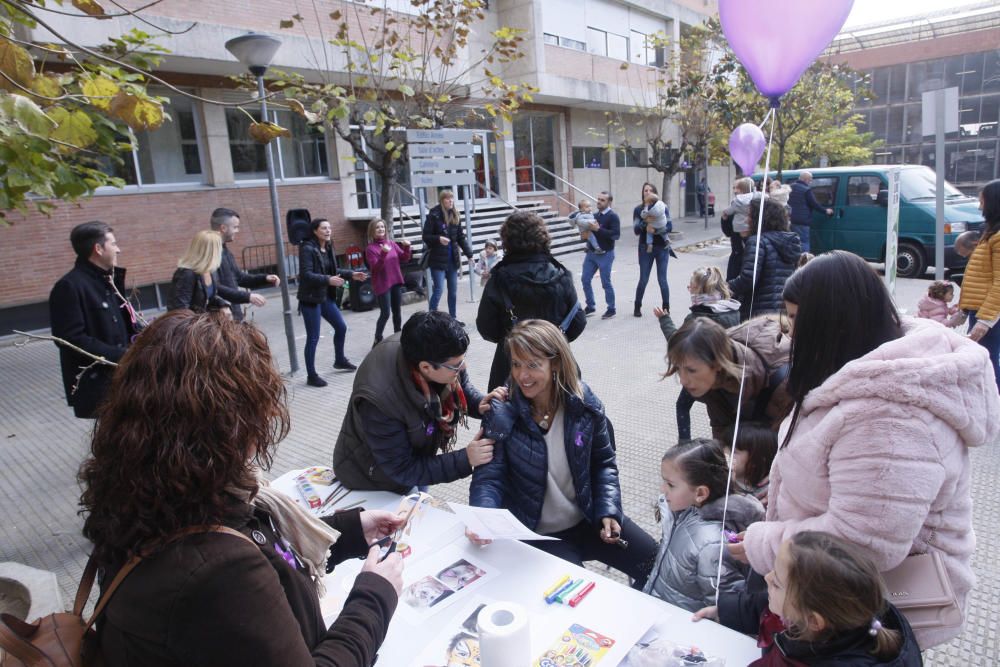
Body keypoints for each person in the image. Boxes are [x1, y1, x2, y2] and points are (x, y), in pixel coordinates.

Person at [78, 310, 406, 666]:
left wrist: (350, 531)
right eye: (257, 411)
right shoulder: (218, 569)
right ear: (227, 429)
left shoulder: (149, 495)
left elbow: (266, 552)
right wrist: (374, 594)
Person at [730, 250, 1000, 649]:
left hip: (864, 609)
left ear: (834, 325)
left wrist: (760, 543)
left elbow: (864, 542)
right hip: (827, 592)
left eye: (797, 320)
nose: (789, 334)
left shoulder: (889, 419)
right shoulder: (857, 371)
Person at [468, 320, 658, 589]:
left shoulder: (583, 403)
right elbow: (488, 479)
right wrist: (483, 518)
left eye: (533, 365)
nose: (523, 375)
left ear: (555, 363)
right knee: (580, 593)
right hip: (540, 534)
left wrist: (608, 510)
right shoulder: (501, 412)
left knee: (656, 564)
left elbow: (603, 463)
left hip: (589, 518)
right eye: (516, 364)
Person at [333, 311, 502, 493]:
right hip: (373, 480)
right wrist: (465, 459)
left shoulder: (434, 352)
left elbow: (461, 385)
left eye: (463, 360)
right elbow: (402, 469)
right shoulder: (380, 400)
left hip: (415, 461)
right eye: (456, 366)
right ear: (426, 367)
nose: (463, 367)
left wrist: (479, 403)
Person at [696, 532, 922, 667]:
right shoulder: (847, 612)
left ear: (813, 621)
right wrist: (724, 611)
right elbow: (767, 607)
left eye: (777, 583)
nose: (766, 577)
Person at [643, 439, 763, 612]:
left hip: (682, 627)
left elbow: (724, 608)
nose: (663, 489)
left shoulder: (712, 544)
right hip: (661, 611)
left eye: (670, 484)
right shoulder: (685, 510)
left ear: (700, 493)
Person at [476, 211, 586, 390]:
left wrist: (513, 338)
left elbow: (486, 327)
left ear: (506, 240)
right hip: (555, 369)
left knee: (506, 416)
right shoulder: (560, 275)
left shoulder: (498, 278)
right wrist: (549, 340)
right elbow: (577, 323)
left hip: (511, 371)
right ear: (543, 238)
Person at [49, 221, 141, 419]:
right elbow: (70, 339)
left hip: (125, 379)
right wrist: (122, 356)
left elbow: (128, 323)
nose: (119, 249)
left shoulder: (109, 281)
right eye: (113, 244)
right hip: (101, 385)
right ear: (98, 249)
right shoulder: (69, 287)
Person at [660, 314, 792, 441]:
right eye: (678, 368)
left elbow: (784, 446)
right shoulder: (713, 381)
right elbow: (721, 427)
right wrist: (722, 456)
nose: (683, 380)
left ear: (717, 363)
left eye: (691, 370)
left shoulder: (782, 384)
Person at [654, 266, 741, 442]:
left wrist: (664, 320)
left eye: (690, 286)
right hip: (727, 374)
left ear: (699, 289)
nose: (688, 288)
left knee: (683, 406)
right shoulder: (732, 310)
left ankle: (684, 444)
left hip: (703, 374)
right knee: (725, 413)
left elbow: (678, 344)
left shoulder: (697, 318)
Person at [297, 218, 367, 386]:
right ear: (315, 231)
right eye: (324, 228)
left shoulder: (328, 247)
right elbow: (306, 275)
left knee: (341, 327)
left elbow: (333, 271)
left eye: (329, 227)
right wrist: (329, 280)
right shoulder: (307, 248)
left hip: (325, 297)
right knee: (313, 338)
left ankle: (339, 360)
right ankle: (311, 376)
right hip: (311, 299)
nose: (328, 231)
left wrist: (351, 274)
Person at [728, 198, 802, 320]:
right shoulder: (790, 242)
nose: (747, 220)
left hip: (759, 311)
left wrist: (724, 287)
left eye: (750, 216)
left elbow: (748, 279)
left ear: (760, 219)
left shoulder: (757, 241)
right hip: (783, 309)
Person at [959, 179, 1000, 394]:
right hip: (982, 310)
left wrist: (985, 320)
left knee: (987, 362)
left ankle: (993, 406)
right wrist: (964, 310)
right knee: (984, 360)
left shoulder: (998, 236)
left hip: (989, 315)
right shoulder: (991, 233)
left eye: (982, 199)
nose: (979, 205)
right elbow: (981, 277)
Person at [209, 207, 280, 322]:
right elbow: (213, 287)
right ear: (223, 228)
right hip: (222, 319)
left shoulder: (224, 250)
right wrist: (248, 297)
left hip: (233, 316)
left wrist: (265, 278)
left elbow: (239, 277)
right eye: (235, 227)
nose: (237, 230)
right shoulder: (210, 253)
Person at [422, 189, 474, 320]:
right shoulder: (434, 215)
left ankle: (453, 318)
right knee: (439, 290)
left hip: (452, 260)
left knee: (453, 292)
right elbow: (426, 236)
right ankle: (431, 318)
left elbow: (461, 237)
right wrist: (438, 238)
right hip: (438, 260)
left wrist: (469, 255)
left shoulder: (455, 215)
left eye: (452, 199)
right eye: (447, 199)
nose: (451, 201)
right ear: (442, 200)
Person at [365, 217, 412, 346]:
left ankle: (398, 336)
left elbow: (404, 258)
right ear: (372, 231)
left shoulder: (391, 243)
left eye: (382, 227)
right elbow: (375, 268)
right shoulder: (370, 249)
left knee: (397, 312)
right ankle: (377, 338)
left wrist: (407, 247)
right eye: (377, 227)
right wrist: (383, 253)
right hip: (382, 284)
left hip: (395, 281)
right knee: (385, 313)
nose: (380, 229)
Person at [632, 183, 672, 318]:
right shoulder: (638, 210)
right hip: (645, 248)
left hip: (662, 247)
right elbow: (636, 230)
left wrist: (655, 230)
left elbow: (670, 226)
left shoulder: (662, 207)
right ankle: (637, 306)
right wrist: (645, 223)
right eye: (645, 190)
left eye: (650, 190)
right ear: (642, 193)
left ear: (655, 193)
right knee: (643, 279)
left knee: (662, 280)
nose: (647, 192)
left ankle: (666, 308)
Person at [169, 230, 230, 313]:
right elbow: (179, 311)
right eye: (219, 248)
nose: (221, 251)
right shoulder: (186, 274)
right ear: (211, 252)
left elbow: (209, 298)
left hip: (202, 322)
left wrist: (223, 305)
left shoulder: (210, 270)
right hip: (191, 324)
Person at [581, 191, 621, 319]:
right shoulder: (593, 215)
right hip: (591, 254)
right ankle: (590, 306)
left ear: (609, 202)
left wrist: (598, 229)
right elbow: (589, 233)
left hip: (606, 254)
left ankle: (611, 309)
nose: (598, 202)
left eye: (602, 200)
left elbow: (616, 235)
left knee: (605, 283)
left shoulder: (613, 216)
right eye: (598, 199)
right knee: (585, 279)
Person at [727, 421, 777, 509]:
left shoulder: (765, 493)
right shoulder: (716, 473)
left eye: (733, 452)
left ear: (755, 461)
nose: (725, 453)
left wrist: (732, 488)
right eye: (724, 448)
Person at [720, 177, 757, 281]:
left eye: (736, 188)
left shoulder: (736, 202)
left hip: (738, 236)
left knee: (738, 258)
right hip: (749, 234)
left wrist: (724, 217)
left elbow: (726, 218)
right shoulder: (758, 199)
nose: (734, 190)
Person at [787, 171, 833, 253]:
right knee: (804, 242)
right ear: (806, 179)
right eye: (810, 180)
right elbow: (814, 204)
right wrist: (826, 211)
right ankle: (804, 261)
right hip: (802, 221)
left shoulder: (790, 188)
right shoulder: (806, 190)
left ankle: (793, 260)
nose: (810, 182)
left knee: (792, 242)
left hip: (790, 220)